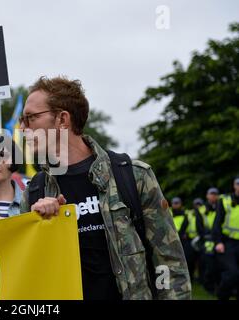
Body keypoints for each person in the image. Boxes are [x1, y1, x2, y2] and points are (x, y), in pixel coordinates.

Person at [18, 76, 191, 300]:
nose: (22, 128)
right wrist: (37, 227)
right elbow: (29, 277)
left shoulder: (132, 175)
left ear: (62, 119)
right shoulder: (34, 192)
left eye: (30, 118)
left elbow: (169, 263)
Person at [212, 177, 239, 300]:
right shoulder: (225, 201)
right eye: (238, 184)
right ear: (234, 185)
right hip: (227, 243)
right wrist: (218, 242)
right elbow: (217, 223)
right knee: (232, 273)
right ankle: (222, 296)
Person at [198, 187, 220, 293]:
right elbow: (199, 227)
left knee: (219, 265)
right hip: (207, 241)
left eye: (215, 194)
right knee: (208, 265)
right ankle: (208, 286)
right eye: (211, 194)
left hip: (219, 240)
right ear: (207, 196)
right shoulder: (201, 209)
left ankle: (217, 285)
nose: (213, 196)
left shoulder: (221, 207)